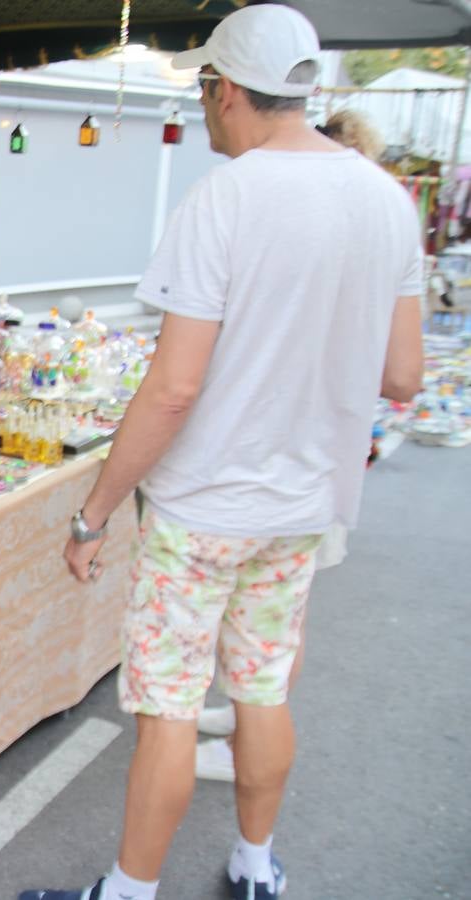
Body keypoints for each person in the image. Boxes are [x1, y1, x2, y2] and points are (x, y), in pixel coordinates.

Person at [18, 6, 425, 900]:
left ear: (228, 89)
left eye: (204, 88)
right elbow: (402, 376)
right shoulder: (386, 201)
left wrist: (92, 514)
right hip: (305, 505)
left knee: (166, 703)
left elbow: (172, 389)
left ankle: (129, 891)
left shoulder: (226, 199)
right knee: (264, 687)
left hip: (202, 507)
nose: (204, 107)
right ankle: (254, 865)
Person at [194, 104, 392, 783]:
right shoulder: (377, 226)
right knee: (267, 622)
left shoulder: (307, 228)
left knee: (275, 629)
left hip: (285, 461)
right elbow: (401, 371)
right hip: (314, 464)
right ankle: (245, 729)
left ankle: (247, 740)